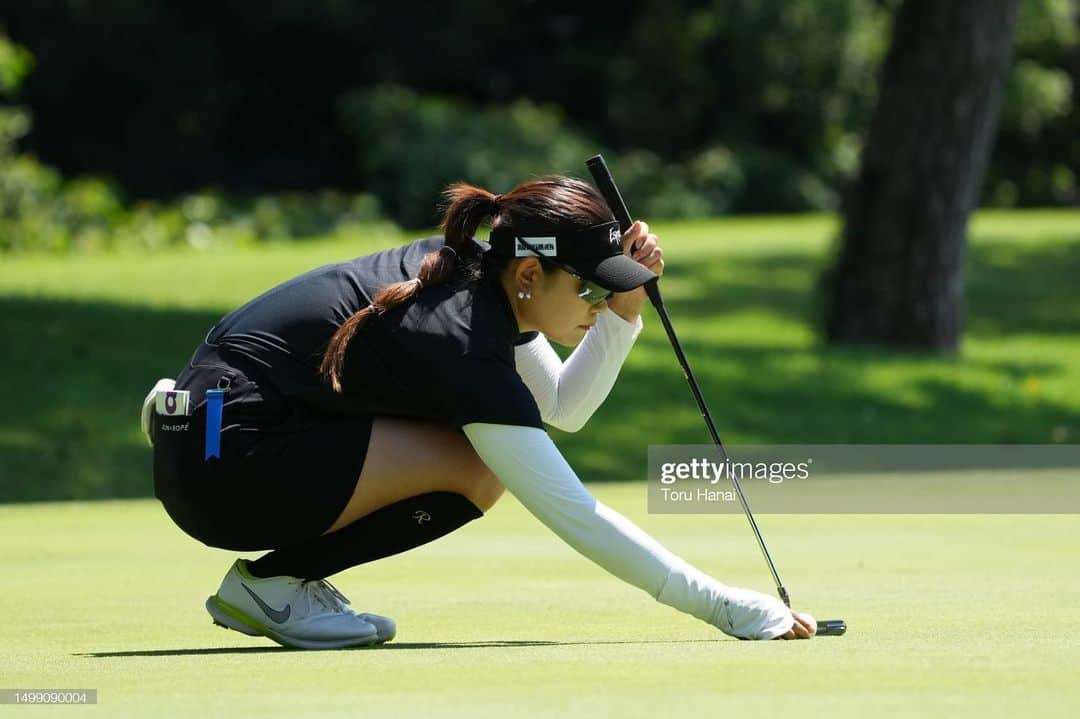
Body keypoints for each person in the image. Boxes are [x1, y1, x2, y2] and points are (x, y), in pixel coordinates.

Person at [141, 175, 817, 650]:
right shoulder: (462, 335)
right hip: (223, 462)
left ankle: (270, 567)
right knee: (479, 468)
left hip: (218, 428)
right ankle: (275, 584)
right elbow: (572, 509)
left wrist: (623, 313)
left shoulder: (481, 277)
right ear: (530, 275)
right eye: (590, 288)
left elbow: (562, 408)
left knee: (479, 452)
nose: (596, 302)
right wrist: (725, 606)